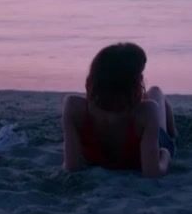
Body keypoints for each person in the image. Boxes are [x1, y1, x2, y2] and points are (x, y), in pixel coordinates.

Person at [61, 42, 177, 178]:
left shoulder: (74, 107)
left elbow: (71, 167)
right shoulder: (147, 112)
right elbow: (152, 173)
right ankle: (174, 133)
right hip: (149, 144)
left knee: (152, 96)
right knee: (155, 92)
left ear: (90, 82)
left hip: (127, 130)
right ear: (136, 86)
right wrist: (165, 155)